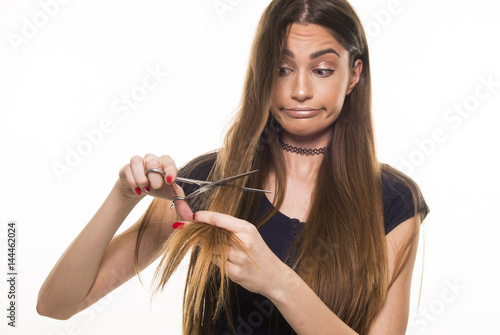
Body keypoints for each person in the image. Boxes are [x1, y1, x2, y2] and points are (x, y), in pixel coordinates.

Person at [37, 0, 429, 334]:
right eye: (282, 68)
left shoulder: (393, 202)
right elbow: (57, 305)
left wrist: (278, 283)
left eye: (322, 69)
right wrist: (122, 197)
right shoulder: (209, 182)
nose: (300, 90)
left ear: (354, 74)